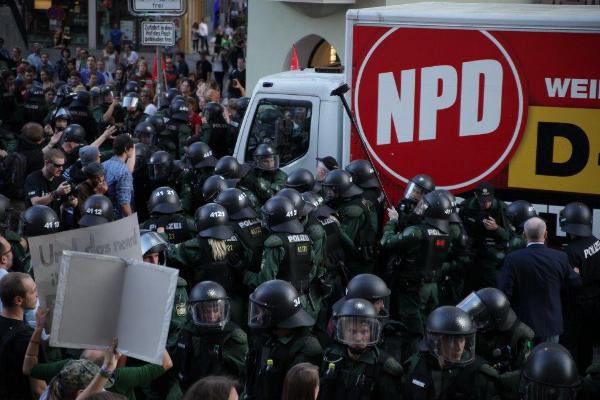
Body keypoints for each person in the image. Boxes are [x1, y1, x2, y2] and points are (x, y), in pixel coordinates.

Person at [381, 190, 453, 355]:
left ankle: (412, 369)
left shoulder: (416, 232)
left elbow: (386, 243)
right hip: (432, 287)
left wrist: (393, 221)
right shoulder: (446, 233)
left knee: (413, 332)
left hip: (413, 289)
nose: (420, 208)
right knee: (429, 327)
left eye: (424, 205)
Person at [498, 217, 582, 344]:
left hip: (522, 325)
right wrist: (575, 273)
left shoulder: (512, 259)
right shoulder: (561, 257)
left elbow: (504, 294)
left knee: (524, 362)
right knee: (548, 362)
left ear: (524, 235)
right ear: (546, 234)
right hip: (551, 326)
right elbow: (576, 283)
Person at [167, 203, 247, 324]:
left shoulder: (195, 246)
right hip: (233, 304)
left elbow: (171, 253)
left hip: (204, 307)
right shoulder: (237, 240)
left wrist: (161, 234)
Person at [245, 280, 323, 400]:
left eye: (262, 313)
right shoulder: (267, 338)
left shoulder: (307, 347)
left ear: (278, 316)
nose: (258, 317)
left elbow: (296, 393)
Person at [403, 305, 499, 399]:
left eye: (461, 340)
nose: (459, 348)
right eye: (452, 341)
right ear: (436, 341)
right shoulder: (416, 366)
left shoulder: (478, 375)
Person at [319, 298, 403, 400]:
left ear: (372, 333)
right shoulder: (330, 358)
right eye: (352, 331)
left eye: (364, 332)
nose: (358, 338)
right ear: (343, 332)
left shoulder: (383, 368)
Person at [173, 281, 248, 393]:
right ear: (195, 311)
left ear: (223, 310)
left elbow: (244, 378)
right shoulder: (187, 331)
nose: (212, 316)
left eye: (216, 310)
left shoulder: (233, 337)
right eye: (206, 311)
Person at [559, 202, 600, 373]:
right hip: (595, 302)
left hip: (575, 307)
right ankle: (584, 375)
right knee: (587, 343)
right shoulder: (596, 241)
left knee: (568, 345)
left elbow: (569, 285)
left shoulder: (571, 252)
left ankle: (568, 378)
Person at [457, 287, 534, 373]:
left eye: (481, 317)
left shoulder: (521, 337)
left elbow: (518, 376)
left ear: (494, 319)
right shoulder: (484, 329)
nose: (475, 320)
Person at [0, 272, 47, 399]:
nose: (37, 295)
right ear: (18, 300)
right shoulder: (28, 339)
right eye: (33, 291)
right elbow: (38, 389)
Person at [322, 169, 377, 276]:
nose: (328, 193)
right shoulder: (359, 200)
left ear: (341, 190)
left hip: (357, 264)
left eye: (331, 189)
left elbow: (347, 241)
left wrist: (336, 225)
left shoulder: (353, 211)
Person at [460, 182, 510, 289]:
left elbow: (511, 237)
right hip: (472, 254)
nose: (486, 203)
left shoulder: (502, 208)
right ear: (476, 195)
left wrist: (497, 229)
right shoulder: (466, 207)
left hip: (493, 257)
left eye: (489, 199)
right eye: (483, 200)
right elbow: (459, 230)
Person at [24, 148, 72, 216]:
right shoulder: (32, 178)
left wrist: (72, 200)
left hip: (54, 221)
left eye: (62, 165)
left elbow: (66, 202)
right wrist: (57, 193)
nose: (61, 169)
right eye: (57, 165)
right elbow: (35, 203)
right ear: (46, 163)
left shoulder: (61, 179)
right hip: (36, 221)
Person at [102, 134, 135, 219]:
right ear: (126, 149)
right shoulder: (124, 172)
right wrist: (131, 222)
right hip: (117, 219)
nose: (133, 149)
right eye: (132, 147)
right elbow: (124, 203)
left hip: (103, 214)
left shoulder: (103, 165)